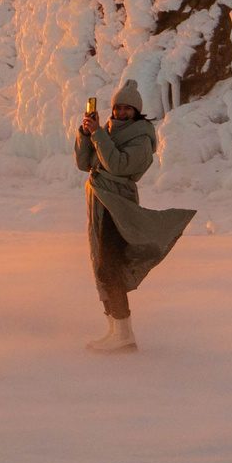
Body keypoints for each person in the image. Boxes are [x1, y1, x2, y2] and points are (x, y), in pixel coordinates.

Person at [74, 80, 197, 353]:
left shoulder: (141, 138)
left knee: (110, 267)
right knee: (102, 267)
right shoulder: (107, 131)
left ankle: (124, 334)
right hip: (99, 202)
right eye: (117, 107)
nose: (121, 112)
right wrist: (85, 134)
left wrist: (98, 135)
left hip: (118, 204)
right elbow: (84, 163)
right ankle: (117, 331)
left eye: (127, 108)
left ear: (137, 111)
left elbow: (118, 166)